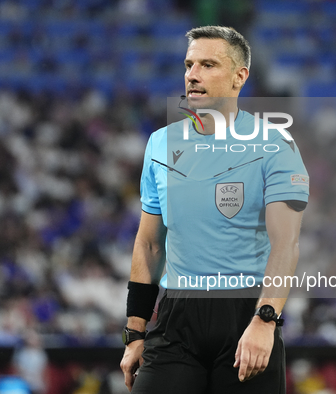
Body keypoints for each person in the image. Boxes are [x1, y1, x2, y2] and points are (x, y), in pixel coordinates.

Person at [120, 26, 309, 394]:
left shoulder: (274, 144)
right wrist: (135, 331)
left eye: (208, 65)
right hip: (175, 319)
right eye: (189, 64)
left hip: (245, 313)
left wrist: (265, 320)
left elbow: (285, 244)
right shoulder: (161, 143)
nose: (193, 75)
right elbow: (149, 246)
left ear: (240, 77)